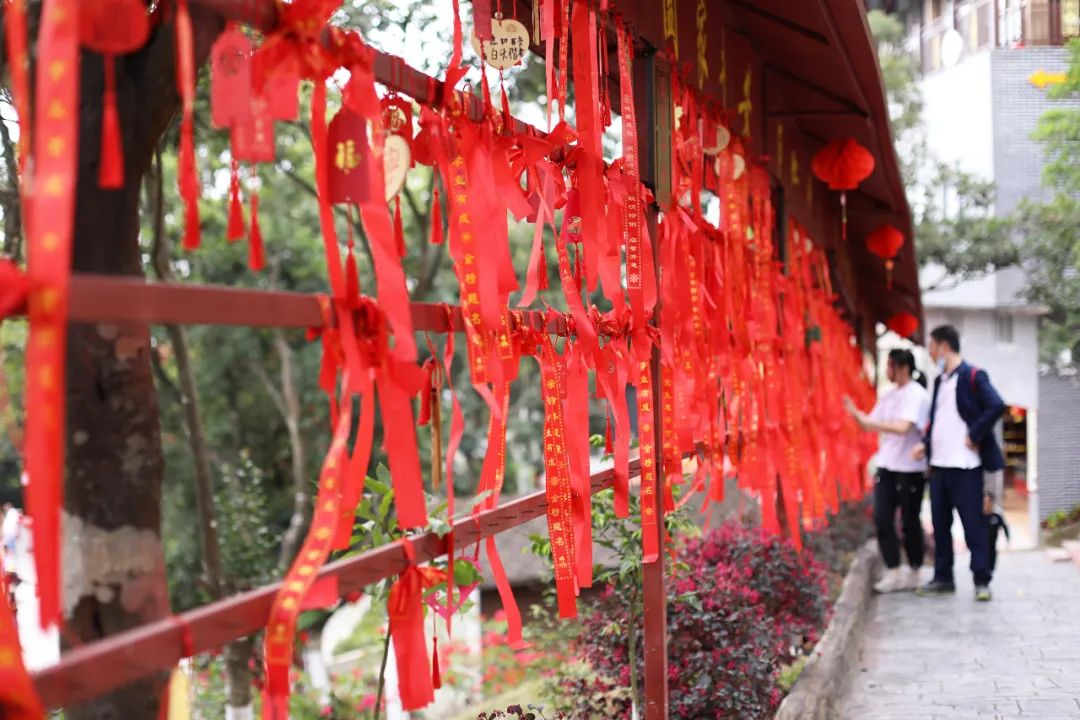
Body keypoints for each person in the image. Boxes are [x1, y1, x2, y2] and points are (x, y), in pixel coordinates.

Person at [913, 325, 1005, 602]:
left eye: (931, 346)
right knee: (940, 526)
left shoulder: (973, 375)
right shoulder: (940, 380)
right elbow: (939, 421)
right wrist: (926, 446)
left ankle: (981, 580)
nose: (930, 353)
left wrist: (975, 434)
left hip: (967, 467)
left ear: (943, 346)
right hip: (940, 468)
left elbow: (996, 405)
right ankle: (943, 577)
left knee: (973, 526)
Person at [845, 349, 930, 593]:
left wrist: (869, 421)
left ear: (902, 367)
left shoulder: (917, 395)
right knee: (882, 518)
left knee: (910, 521)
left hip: (911, 469)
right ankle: (893, 570)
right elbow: (869, 424)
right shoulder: (889, 395)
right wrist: (854, 413)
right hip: (887, 465)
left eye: (890, 366)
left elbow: (904, 427)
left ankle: (914, 570)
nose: (887, 371)